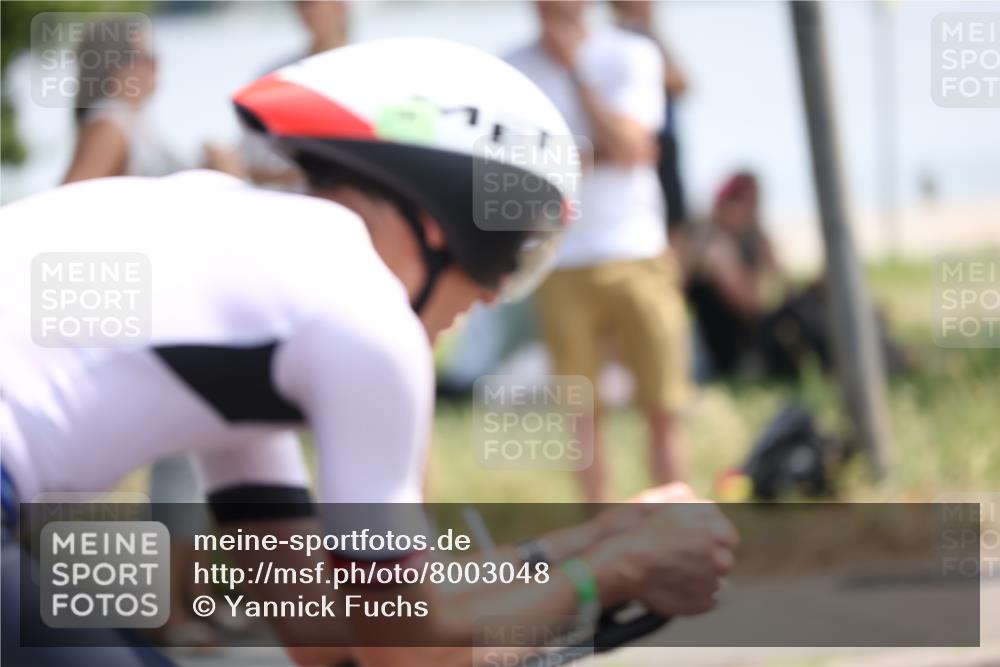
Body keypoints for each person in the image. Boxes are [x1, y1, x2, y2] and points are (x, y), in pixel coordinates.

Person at [1, 39, 736, 667]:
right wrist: (615, 569)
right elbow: (403, 647)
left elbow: (311, 618)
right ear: (447, 216)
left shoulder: (263, 271)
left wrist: (592, 540)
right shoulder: (362, 308)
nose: (494, 293)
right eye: (515, 247)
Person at [507, 1, 692, 502]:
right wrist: (607, 151)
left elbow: (630, 144)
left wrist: (576, 71)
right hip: (557, 259)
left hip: (637, 250)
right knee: (581, 417)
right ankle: (603, 531)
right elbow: (515, 175)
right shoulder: (511, 67)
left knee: (663, 406)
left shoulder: (631, 52)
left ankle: (680, 522)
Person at [63, 17, 238, 184]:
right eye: (147, 58)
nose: (156, 66)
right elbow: (68, 196)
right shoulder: (109, 126)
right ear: (116, 65)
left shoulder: (132, 119)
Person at [610, 0, 691, 239]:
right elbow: (678, 82)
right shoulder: (623, 42)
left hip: (663, 142)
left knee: (674, 217)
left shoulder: (648, 38)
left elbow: (683, 84)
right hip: (645, 143)